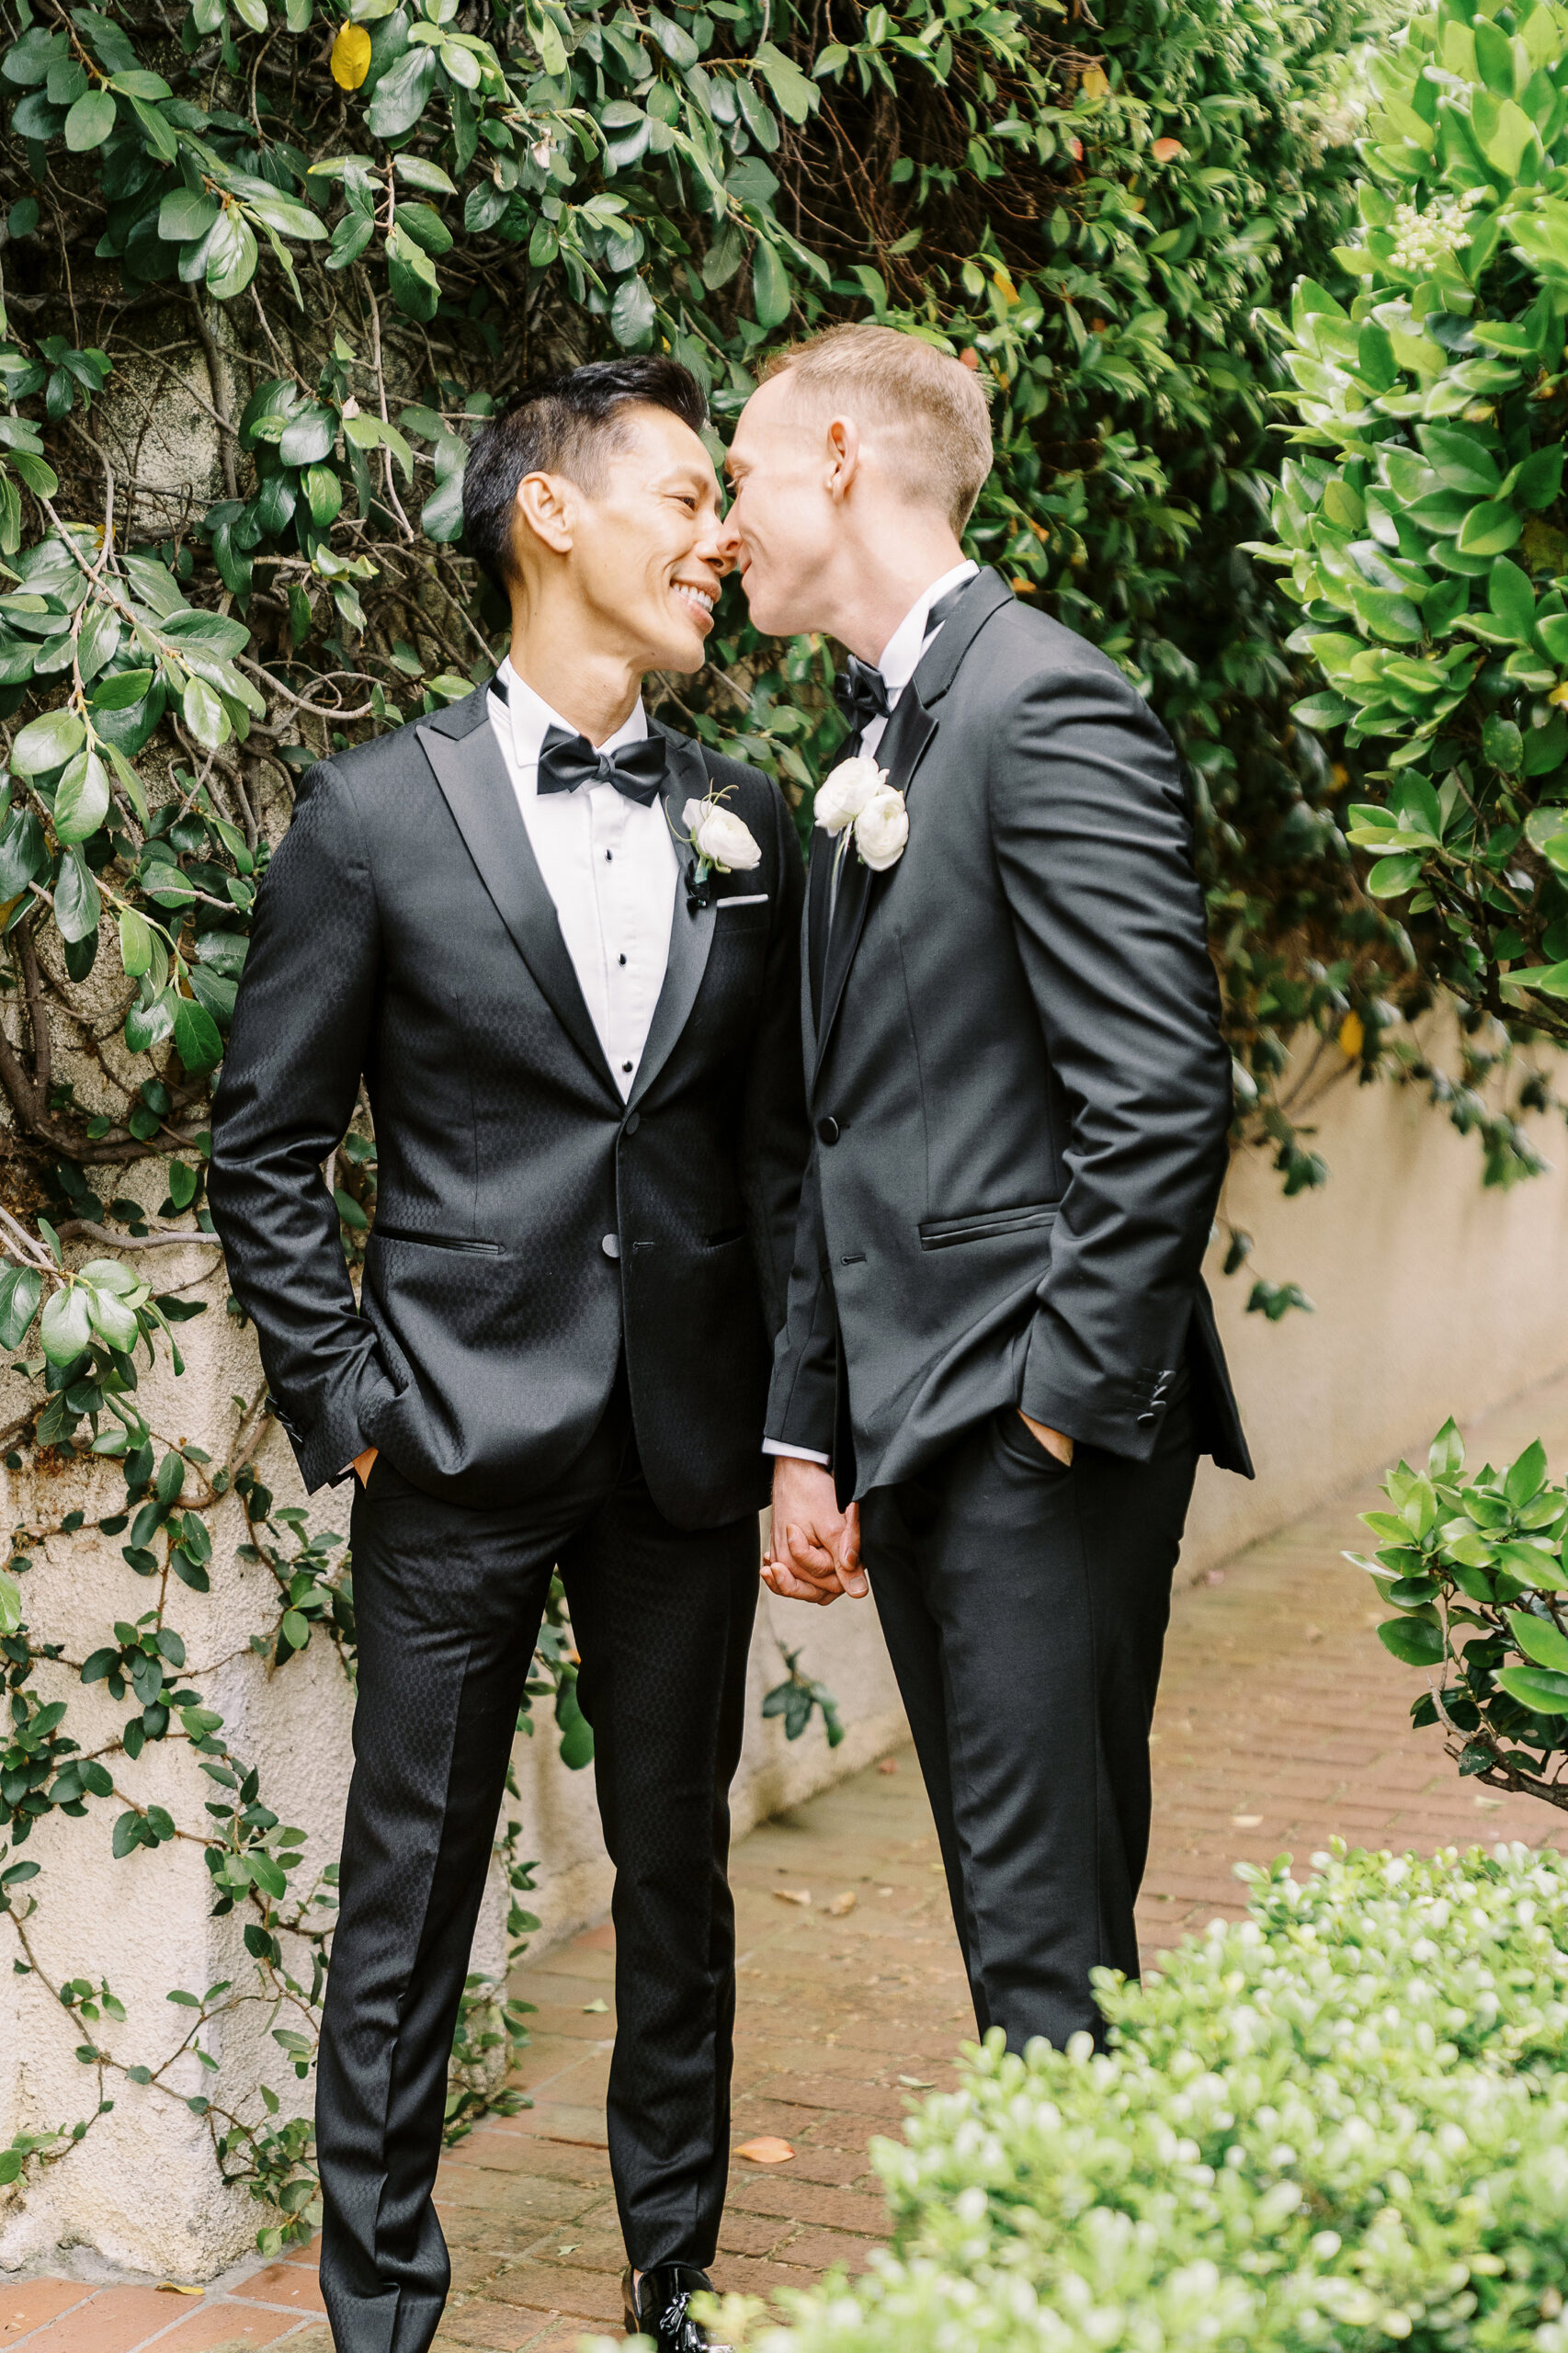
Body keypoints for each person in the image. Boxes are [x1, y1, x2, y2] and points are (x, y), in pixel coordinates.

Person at [208, 358, 809, 2353]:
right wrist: (351, 1406)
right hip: (450, 1446)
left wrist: (795, 1420)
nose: (717, 534)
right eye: (681, 491)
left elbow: (773, 1152)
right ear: (549, 511)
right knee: (408, 1901)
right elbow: (265, 1145)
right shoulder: (374, 813)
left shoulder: (751, 818)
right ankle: (380, 2305)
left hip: (682, 1451)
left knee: (676, 1884)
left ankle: (674, 2278)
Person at [722, 322, 1251, 2057]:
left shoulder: (1046, 702)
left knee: (1046, 1940)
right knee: (1020, 1920)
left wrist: (1053, 1416)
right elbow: (845, 1132)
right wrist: (814, 1430)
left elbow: (1161, 1092)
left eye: (743, 469)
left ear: (843, 465)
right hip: (927, 1422)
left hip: (1038, 1432)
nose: (727, 521)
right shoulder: (885, 736)